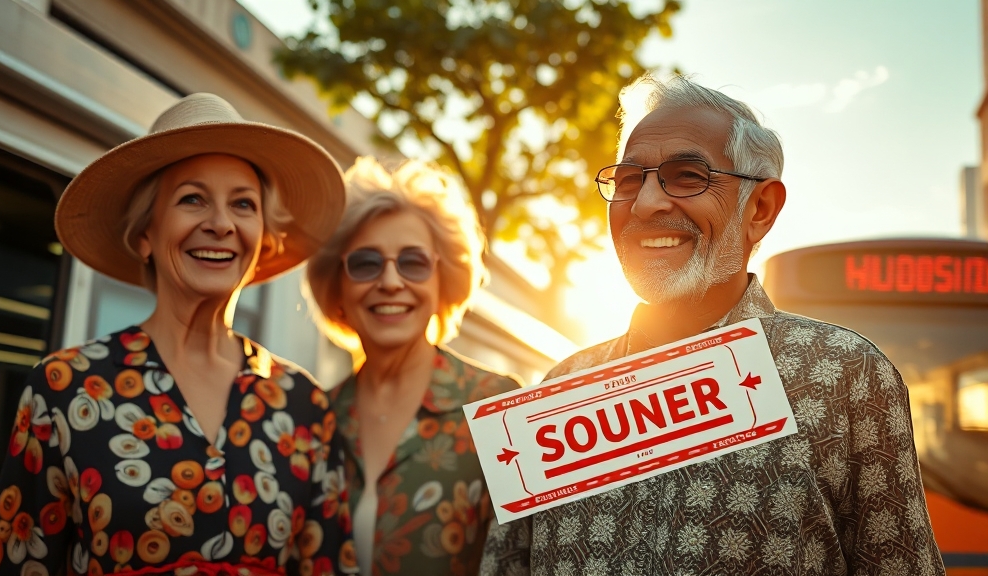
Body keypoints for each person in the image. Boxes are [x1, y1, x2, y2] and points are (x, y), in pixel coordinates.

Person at [479, 75, 946, 575]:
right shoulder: (559, 390)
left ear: (760, 209)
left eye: (686, 176)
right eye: (630, 179)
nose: (646, 203)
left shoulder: (844, 376)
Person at [0, 93, 357, 576]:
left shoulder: (304, 406)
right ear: (145, 234)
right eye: (192, 199)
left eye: (243, 203)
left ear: (263, 238)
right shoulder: (64, 389)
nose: (220, 224)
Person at [306, 158, 522, 576]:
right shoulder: (316, 418)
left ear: (444, 283)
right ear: (338, 288)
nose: (390, 282)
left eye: (413, 262)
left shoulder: (497, 407)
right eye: (366, 263)